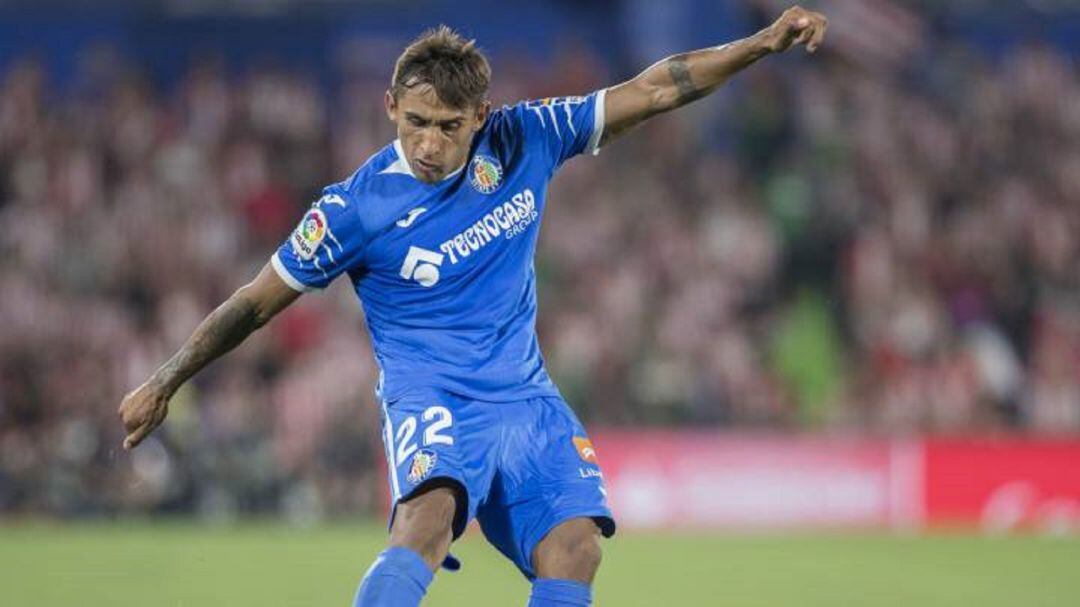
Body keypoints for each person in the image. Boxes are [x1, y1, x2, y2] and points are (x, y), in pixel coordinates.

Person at [118, 6, 827, 606]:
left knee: (576, 548)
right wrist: (165, 379)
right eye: (416, 120)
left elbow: (657, 89)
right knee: (425, 524)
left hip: (525, 397)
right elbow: (253, 303)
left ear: (480, 116)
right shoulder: (353, 209)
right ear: (391, 104)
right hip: (433, 394)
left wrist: (759, 45)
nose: (428, 142)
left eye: (448, 126)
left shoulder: (526, 137)